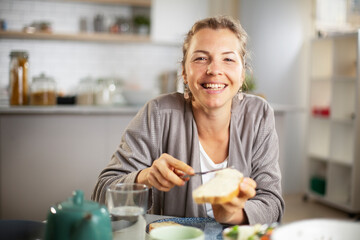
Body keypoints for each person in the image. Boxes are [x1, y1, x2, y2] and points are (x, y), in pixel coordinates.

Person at [92, 15, 284, 225]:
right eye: (201, 58)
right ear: (184, 71)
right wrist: (145, 177)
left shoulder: (259, 115)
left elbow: (272, 203)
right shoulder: (157, 113)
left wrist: (232, 214)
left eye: (228, 59)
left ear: (242, 74)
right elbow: (102, 192)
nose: (214, 70)